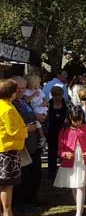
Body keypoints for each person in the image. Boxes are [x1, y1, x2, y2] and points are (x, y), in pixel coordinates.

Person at [54, 105, 86, 216]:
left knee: (81, 185)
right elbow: (59, 149)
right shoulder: (64, 131)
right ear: (69, 118)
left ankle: (78, 215)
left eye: (80, 119)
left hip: (83, 160)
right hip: (70, 161)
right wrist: (65, 154)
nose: (77, 122)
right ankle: (79, 207)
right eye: (75, 120)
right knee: (74, 185)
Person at [11, 76, 44, 205]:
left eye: (24, 88)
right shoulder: (12, 104)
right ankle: (23, 200)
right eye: (18, 88)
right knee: (24, 173)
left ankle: (32, 197)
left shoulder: (25, 101)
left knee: (35, 172)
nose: (21, 91)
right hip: (22, 145)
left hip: (32, 142)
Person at [0, 79, 28, 216]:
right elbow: (13, 131)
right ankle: (7, 215)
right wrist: (26, 130)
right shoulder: (7, 109)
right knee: (6, 184)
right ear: (11, 92)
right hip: (7, 150)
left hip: (3, 148)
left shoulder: (4, 105)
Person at [46, 86, 68, 179]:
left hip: (64, 133)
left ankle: (65, 172)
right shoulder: (48, 104)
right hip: (52, 133)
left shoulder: (66, 105)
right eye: (55, 95)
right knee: (52, 154)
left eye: (59, 95)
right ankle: (51, 173)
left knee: (64, 153)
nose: (58, 97)